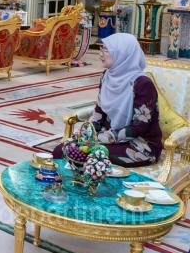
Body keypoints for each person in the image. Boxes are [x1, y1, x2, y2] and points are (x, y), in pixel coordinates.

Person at [53, 33, 162, 167]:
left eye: (106, 49)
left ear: (122, 54)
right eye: (101, 48)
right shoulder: (107, 76)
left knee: (91, 155)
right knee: (61, 150)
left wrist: (101, 138)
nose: (100, 54)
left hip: (140, 145)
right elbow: (99, 113)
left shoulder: (143, 84)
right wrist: (86, 134)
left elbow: (138, 128)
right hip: (106, 138)